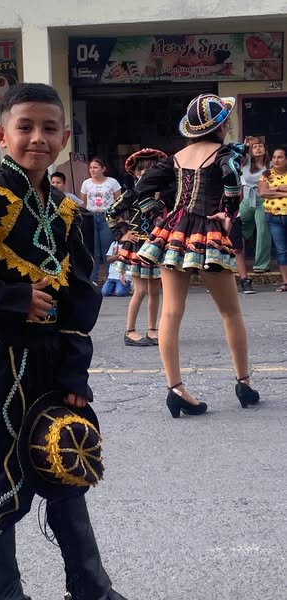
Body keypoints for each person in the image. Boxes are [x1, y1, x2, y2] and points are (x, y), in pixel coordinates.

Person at [0, 83, 126, 600]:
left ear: (64, 138)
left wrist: (75, 372)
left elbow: (80, 296)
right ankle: (7, 593)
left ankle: (91, 588)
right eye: (25, 127)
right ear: (1, 134)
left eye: (49, 128)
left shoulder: (66, 210)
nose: (37, 138)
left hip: (54, 355)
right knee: (2, 477)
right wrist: (10, 298)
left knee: (66, 460)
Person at [137, 93, 260, 417]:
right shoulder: (224, 154)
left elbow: (141, 188)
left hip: (175, 233)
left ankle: (175, 388)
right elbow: (231, 180)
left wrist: (158, 214)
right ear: (220, 126)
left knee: (170, 313)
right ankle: (243, 383)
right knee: (230, 312)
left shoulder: (176, 158)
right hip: (207, 233)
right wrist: (228, 213)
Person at [107, 148, 168, 346]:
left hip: (155, 244)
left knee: (155, 290)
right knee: (140, 290)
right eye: (143, 169)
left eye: (153, 169)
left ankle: (152, 330)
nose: (148, 173)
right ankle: (130, 331)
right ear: (136, 173)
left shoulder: (161, 194)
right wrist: (122, 235)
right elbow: (110, 213)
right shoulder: (132, 193)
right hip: (137, 246)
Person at [80, 158, 121, 284]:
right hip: (90, 217)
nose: (92, 170)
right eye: (91, 167)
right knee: (93, 250)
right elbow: (84, 202)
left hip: (107, 217)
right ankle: (93, 280)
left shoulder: (112, 182)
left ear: (103, 169)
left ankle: (110, 279)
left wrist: (118, 218)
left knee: (107, 250)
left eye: (95, 167)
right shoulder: (86, 183)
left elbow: (119, 201)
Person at [238, 136, 272, 288]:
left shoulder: (270, 165)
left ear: (265, 149)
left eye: (260, 146)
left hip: (263, 201)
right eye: (255, 147)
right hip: (247, 200)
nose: (258, 148)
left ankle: (261, 264)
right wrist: (245, 146)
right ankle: (233, 260)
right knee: (237, 228)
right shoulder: (246, 162)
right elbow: (237, 155)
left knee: (263, 230)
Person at [258, 145, 287, 292]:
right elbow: (263, 192)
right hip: (274, 217)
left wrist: (273, 189)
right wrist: (282, 190)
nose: (276, 160)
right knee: (281, 250)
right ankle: (286, 282)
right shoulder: (267, 174)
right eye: (274, 157)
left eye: (280, 157)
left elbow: (268, 191)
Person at [101, 224, 132, 297]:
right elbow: (108, 259)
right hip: (112, 275)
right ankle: (116, 287)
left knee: (120, 293)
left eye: (121, 232)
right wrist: (117, 256)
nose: (118, 234)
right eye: (117, 232)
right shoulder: (114, 244)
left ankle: (127, 286)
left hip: (124, 275)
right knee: (104, 292)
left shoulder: (129, 244)